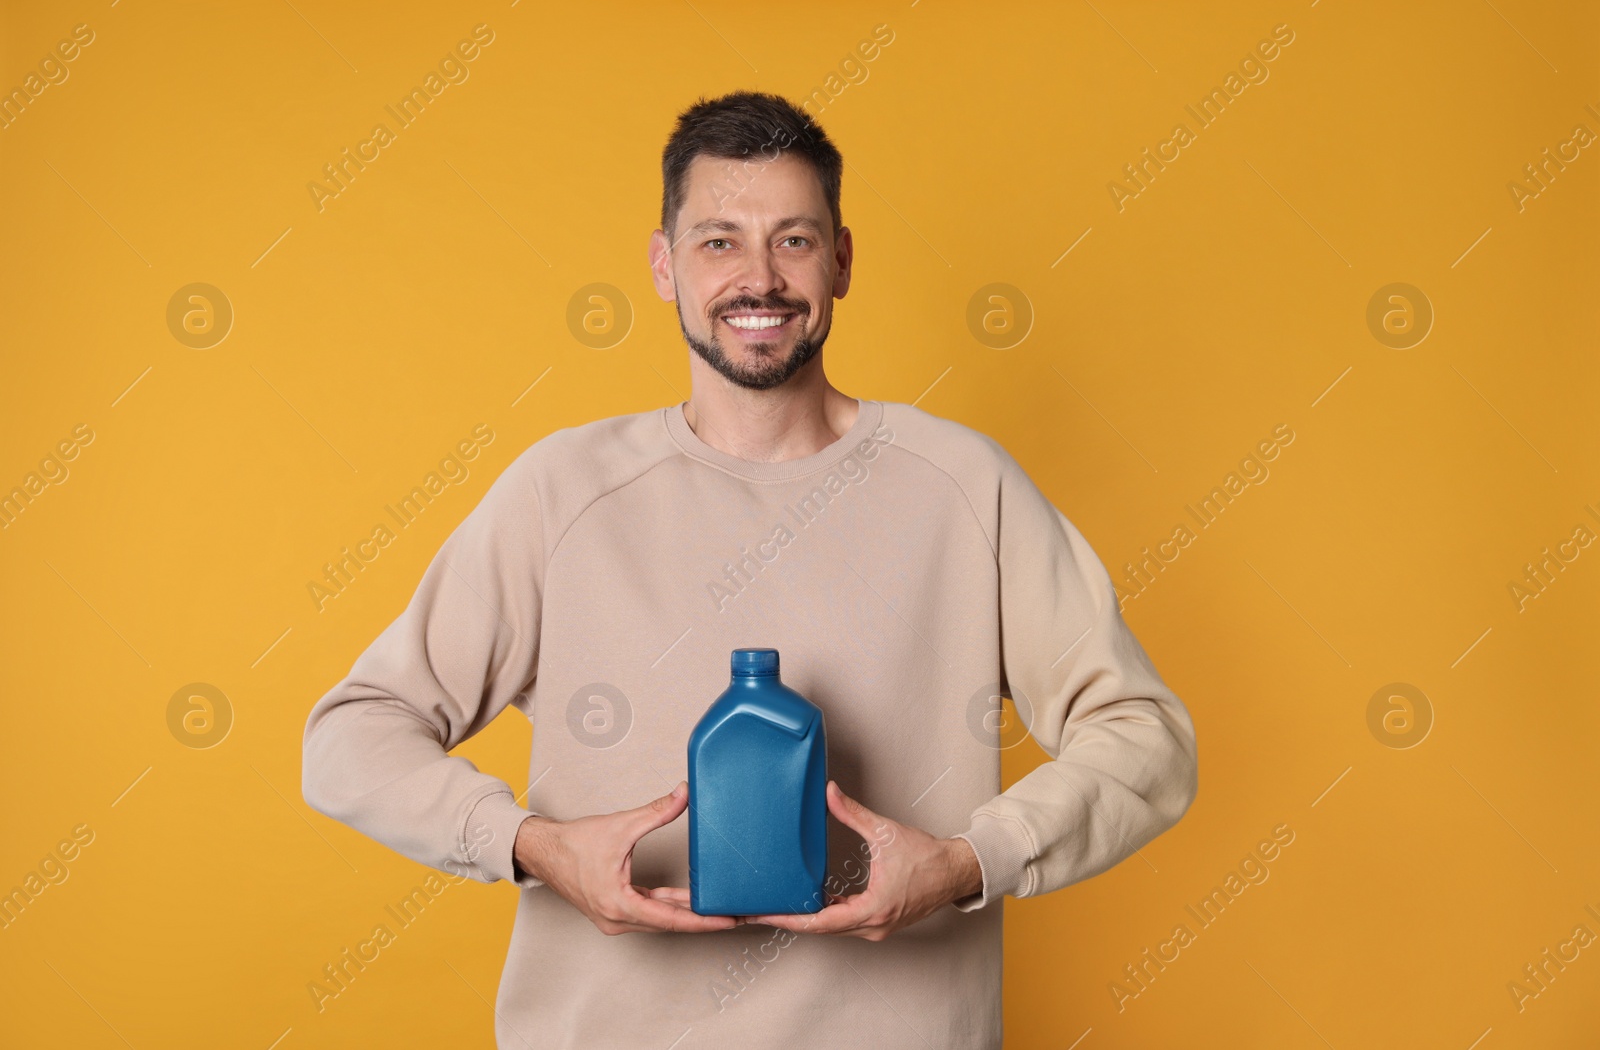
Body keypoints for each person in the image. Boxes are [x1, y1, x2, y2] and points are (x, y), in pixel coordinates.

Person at [302, 89, 1198, 1049]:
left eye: (795, 240)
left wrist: (971, 862)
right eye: (719, 241)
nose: (758, 279)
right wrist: (531, 846)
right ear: (663, 265)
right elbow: (354, 732)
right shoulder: (562, 491)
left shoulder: (963, 485)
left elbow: (1144, 734)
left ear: (843, 260)